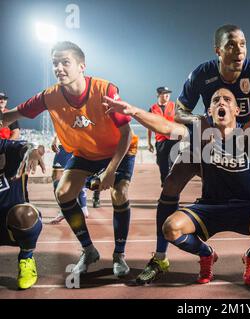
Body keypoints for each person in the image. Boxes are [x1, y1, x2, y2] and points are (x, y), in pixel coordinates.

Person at [102, 84, 250, 285]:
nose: (221, 102)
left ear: (237, 110)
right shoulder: (201, 136)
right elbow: (167, 127)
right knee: (171, 228)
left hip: (247, 211)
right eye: (216, 99)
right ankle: (206, 254)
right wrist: (133, 110)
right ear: (209, 110)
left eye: (227, 100)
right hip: (209, 210)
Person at [141, 24, 250, 283]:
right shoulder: (202, 73)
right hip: (209, 138)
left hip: (245, 140)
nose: (239, 50)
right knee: (171, 184)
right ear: (218, 51)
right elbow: (179, 112)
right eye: (231, 45)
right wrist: (201, 121)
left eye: (243, 44)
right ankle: (159, 257)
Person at [0, 41, 139, 278]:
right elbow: (10, 116)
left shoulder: (105, 90)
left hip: (119, 150)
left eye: (65, 62)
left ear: (81, 66)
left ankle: (119, 255)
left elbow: (126, 134)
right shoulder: (49, 96)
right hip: (85, 153)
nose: (59, 68)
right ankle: (89, 250)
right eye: (55, 63)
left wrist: (110, 171)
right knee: (63, 192)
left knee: (119, 193)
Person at [0, 139, 45, 289]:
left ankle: (26, 258)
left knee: (25, 214)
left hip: (9, 224)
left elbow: (26, 147)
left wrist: (32, 152)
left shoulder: (7, 148)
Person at [49, 135, 89, 224]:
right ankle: (63, 210)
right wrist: (55, 138)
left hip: (80, 145)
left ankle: (83, 206)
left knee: (80, 175)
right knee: (56, 178)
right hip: (63, 146)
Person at [148, 86, 179, 186]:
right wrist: (149, 142)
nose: (167, 95)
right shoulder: (152, 109)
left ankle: (172, 185)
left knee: (173, 163)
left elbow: (180, 121)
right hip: (160, 140)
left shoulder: (175, 106)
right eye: (164, 93)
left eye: (168, 93)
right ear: (158, 95)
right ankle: (165, 184)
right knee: (162, 164)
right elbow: (149, 126)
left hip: (174, 139)